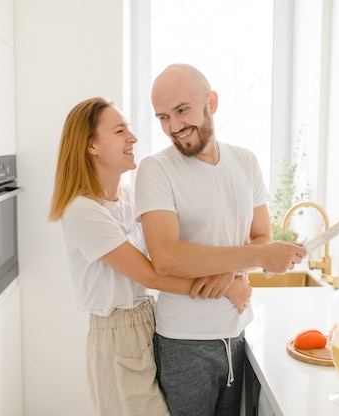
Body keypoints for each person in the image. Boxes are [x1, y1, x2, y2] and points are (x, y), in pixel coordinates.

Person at [48, 97, 252, 416]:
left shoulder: (129, 196)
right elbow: (152, 274)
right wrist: (225, 287)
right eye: (119, 130)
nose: (133, 138)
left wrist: (229, 269)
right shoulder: (82, 211)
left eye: (128, 128)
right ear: (91, 146)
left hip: (151, 323)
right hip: (117, 338)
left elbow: (169, 252)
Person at [134, 64, 307, 415]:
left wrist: (231, 275)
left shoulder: (245, 161)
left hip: (239, 331)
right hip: (184, 341)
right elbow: (167, 257)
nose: (174, 127)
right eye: (163, 117)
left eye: (182, 110)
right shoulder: (155, 170)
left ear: (211, 102)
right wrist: (249, 261)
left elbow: (261, 235)